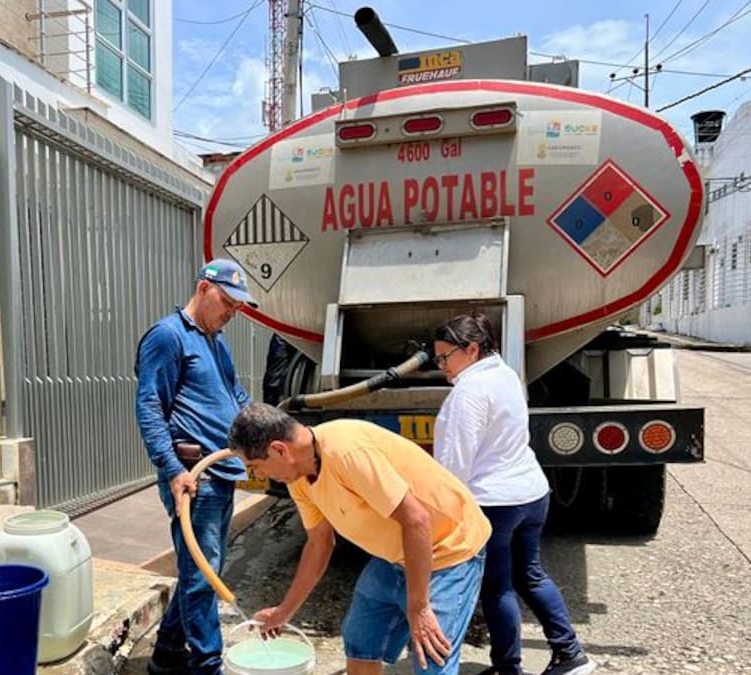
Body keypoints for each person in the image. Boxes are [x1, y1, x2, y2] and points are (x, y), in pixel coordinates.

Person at [229, 403, 492, 675]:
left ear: (278, 449)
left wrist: (419, 606)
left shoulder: (347, 451)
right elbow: (319, 543)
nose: (259, 475)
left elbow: (416, 520)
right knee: (360, 640)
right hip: (395, 555)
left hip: (449, 549)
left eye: (256, 466)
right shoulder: (298, 476)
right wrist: (283, 611)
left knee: (431, 659)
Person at [432, 314, 595, 675]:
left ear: (471, 349)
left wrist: (440, 514)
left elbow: (455, 464)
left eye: (445, 357)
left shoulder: (468, 392)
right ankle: (570, 654)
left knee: (497, 588)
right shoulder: (504, 373)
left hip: (495, 502)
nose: (441, 366)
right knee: (530, 575)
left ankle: (508, 668)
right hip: (532, 494)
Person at [135, 258, 259, 675]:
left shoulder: (215, 339)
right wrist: (172, 470)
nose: (232, 313)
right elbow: (150, 406)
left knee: (200, 569)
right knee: (203, 577)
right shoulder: (167, 337)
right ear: (204, 288)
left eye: (238, 307)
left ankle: (167, 655)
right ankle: (208, 666)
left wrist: (264, 426)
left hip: (222, 473)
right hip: (194, 477)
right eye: (227, 302)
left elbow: (235, 394)